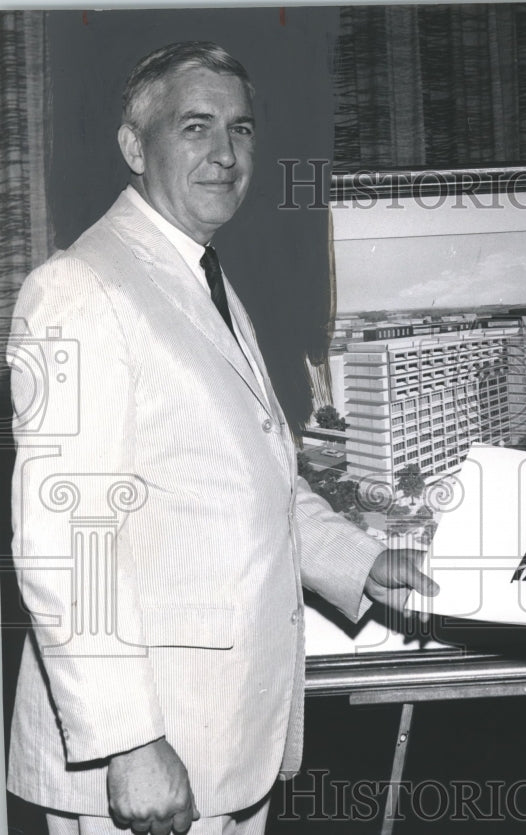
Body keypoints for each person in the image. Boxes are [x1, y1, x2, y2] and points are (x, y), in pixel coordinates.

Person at [6, 41, 437, 835]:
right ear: (135, 146)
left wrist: (363, 561)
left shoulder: (197, 273)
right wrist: (130, 741)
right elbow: (66, 536)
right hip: (145, 751)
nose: (226, 153)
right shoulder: (76, 288)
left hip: (221, 737)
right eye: (195, 127)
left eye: (240, 130)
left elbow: (252, 478)